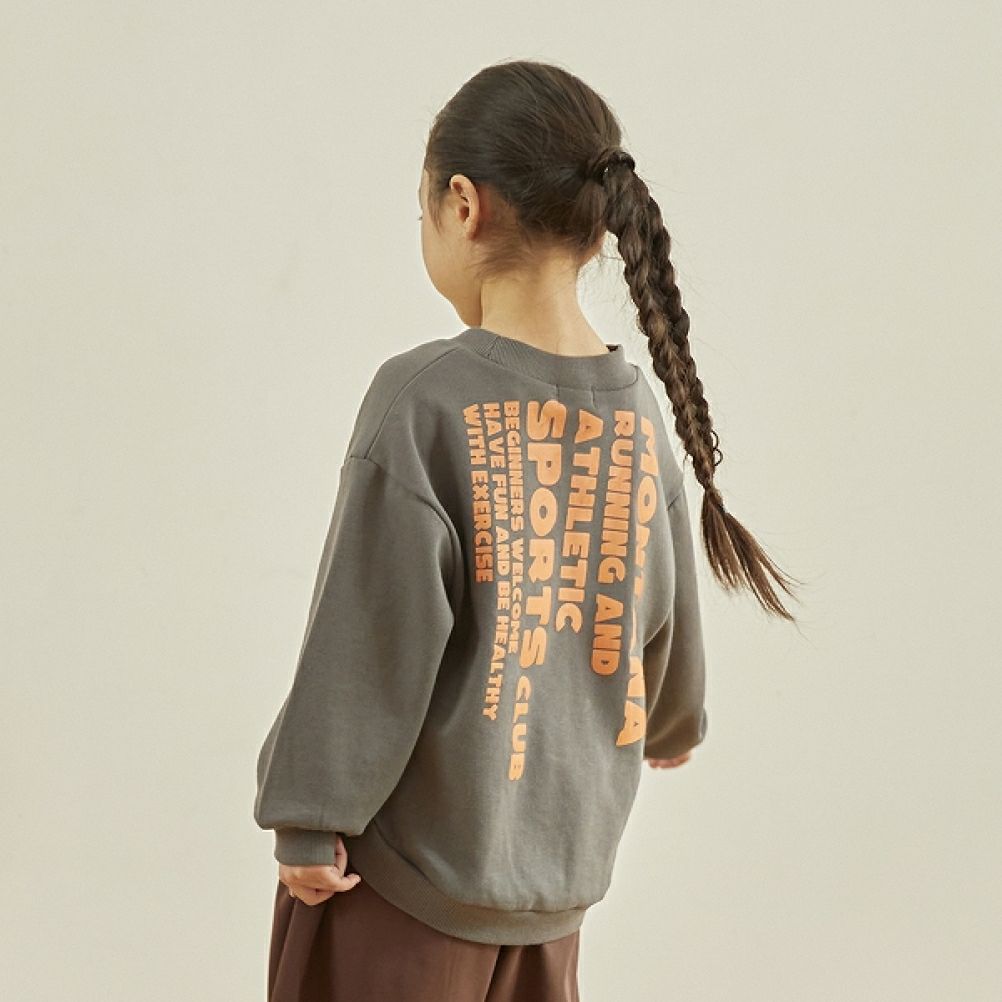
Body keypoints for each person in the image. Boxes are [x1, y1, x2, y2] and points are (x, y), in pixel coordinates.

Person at [254, 57, 802, 1002]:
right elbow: (657, 602)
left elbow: (370, 632)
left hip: (398, 894)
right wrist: (674, 717)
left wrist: (309, 812)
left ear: (462, 206)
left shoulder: (426, 399)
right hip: (554, 903)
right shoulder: (636, 412)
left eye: (422, 208)